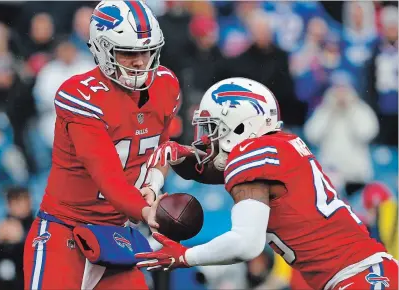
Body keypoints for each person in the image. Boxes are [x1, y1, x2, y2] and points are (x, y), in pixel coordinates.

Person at [136, 78, 398, 290]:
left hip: (360, 276)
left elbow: (246, 243)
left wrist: (184, 256)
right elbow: (207, 169)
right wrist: (173, 160)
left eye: (212, 128)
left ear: (238, 127)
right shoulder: (277, 147)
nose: (207, 139)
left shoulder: (252, 155)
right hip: (362, 273)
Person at [23, 1, 181, 289]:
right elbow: (108, 177)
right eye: (128, 52)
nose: (140, 61)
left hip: (115, 235)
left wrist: (153, 184)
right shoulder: (80, 96)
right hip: (65, 229)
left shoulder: (166, 84)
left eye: (146, 51)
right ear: (102, 48)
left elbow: (162, 147)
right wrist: (147, 211)